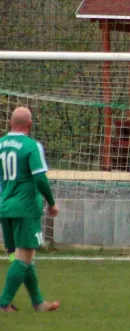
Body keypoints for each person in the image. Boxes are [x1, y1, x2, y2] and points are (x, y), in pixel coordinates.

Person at [0, 107, 60, 312]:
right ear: (30, 124)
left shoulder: (0, 145)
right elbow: (40, 178)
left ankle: (38, 302)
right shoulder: (31, 146)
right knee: (24, 255)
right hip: (25, 208)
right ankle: (3, 303)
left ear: (10, 123)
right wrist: (51, 202)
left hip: (5, 206)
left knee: (24, 256)